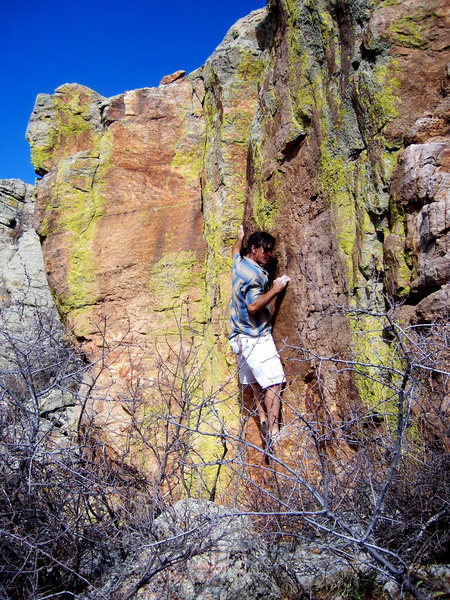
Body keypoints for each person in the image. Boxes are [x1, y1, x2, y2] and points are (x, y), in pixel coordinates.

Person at [229, 226, 290, 449]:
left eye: (271, 251)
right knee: (274, 382)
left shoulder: (241, 263)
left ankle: (263, 418)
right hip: (254, 337)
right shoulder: (254, 276)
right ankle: (273, 432)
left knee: (254, 381)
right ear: (254, 249)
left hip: (237, 337)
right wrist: (275, 289)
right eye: (265, 250)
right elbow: (253, 306)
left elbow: (235, 251)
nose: (269, 254)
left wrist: (240, 237)